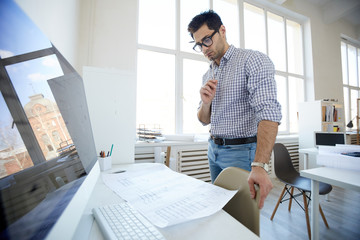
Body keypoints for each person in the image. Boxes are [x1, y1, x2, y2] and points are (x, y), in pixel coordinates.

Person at [188, 10, 282, 209]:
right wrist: (206, 103)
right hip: (213, 149)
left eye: (207, 40)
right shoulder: (207, 74)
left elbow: (268, 113)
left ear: (222, 30)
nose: (204, 49)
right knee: (221, 210)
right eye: (199, 45)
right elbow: (204, 120)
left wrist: (259, 165)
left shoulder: (252, 60)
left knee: (242, 216)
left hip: (242, 152)